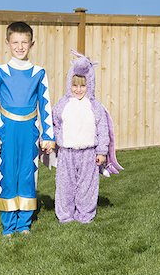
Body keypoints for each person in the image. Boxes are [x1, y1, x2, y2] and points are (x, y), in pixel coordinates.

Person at [0, 21, 55, 237]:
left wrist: (48, 136)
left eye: (24, 42)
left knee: (28, 173)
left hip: (30, 131)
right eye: (15, 42)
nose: (19, 46)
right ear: (8, 43)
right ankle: (8, 224)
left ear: (31, 43)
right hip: (6, 130)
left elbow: (45, 105)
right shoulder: (0, 71)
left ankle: (24, 223)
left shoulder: (39, 72)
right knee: (7, 173)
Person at [53, 50, 123, 224]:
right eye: (74, 85)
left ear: (90, 85)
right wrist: (55, 141)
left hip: (89, 153)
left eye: (83, 86)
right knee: (65, 185)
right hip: (66, 153)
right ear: (69, 84)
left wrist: (101, 151)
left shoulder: (95, 107)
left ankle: (85, 214)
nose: (78, 89)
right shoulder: (62, 105)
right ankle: (65, 214)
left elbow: (103, 130)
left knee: (87, 186)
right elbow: (55, 124)